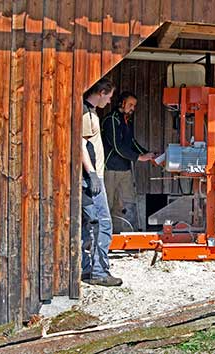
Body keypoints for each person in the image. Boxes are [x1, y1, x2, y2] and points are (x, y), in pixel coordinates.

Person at [81, 79, 122, 287]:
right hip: (91, 178)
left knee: (89, 225)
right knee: (102, 223)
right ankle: (98, 271)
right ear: (102, 92)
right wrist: (92, 174)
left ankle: (87, 268)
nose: (110, 100)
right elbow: (81, 144)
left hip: (91, 176)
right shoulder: (86, 113)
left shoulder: (90, 112)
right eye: (109, 96)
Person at [102, 92, 155, 231]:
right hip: (110, 169)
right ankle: (107, 236)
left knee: (127, 202)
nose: (133, 108)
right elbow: (117, 145)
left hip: (125, 169)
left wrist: (147, 154)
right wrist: (139, 157)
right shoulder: (111, 120)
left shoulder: (127, 121)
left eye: (134, 106)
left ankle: (127, 234)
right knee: (109, 203)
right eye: (130, 104)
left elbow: (131, 142)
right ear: (122, 103)